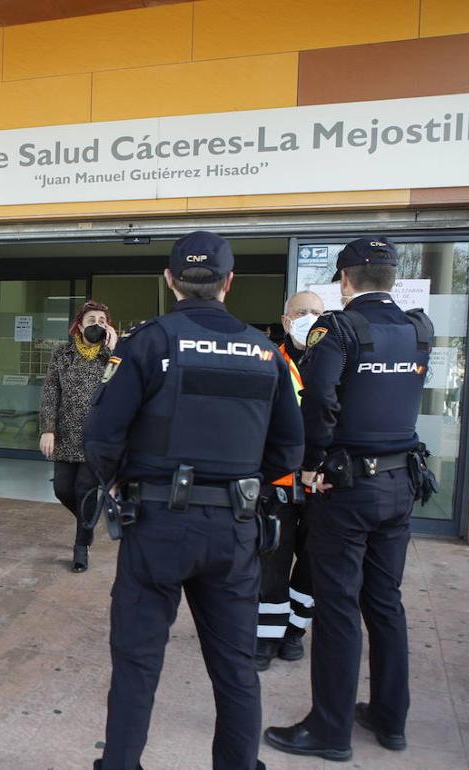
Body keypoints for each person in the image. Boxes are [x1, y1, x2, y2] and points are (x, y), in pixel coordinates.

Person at [84, 231, 304, 770]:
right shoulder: (265, 352)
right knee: (234, 667)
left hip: (156, 521)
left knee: (137, 663)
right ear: (230, 283)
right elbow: (289, 451)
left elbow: (100, 438)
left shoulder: (149, 342)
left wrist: (118, 481)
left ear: (170, 281)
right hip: (234, 528)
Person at [265, 237, 433, 762]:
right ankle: (390, 717)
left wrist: (311, 465)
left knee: (338, 607)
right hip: (402, 483)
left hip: (348, 487)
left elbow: (319, 400)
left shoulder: (336, 330)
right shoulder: (417, 329)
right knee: (385, 602)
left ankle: (330, 730)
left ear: (345, 280)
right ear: (391, 278)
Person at [255, 290, 325, 670]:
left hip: (321, 485)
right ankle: (266, 636)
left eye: (317, 312)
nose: (310, 318)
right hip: (276, 481)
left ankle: (295, 629)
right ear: (286, 320)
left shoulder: (336, 359)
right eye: (303, 312)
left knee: (314, 562)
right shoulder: (267, 359)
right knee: (272, 562)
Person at [40, 299, 118, 573]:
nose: (96, 325)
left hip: (95, 437)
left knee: (84, 490)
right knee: (62, 489)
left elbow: (117, 386)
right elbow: (51, 392)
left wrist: (112, 351)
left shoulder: (111, 357)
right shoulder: (62, 353)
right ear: (79, 325)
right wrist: (48, 429)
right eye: (91, 321)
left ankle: (80, 547)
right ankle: (86, 523)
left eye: (101, 321)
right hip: (65, 434)